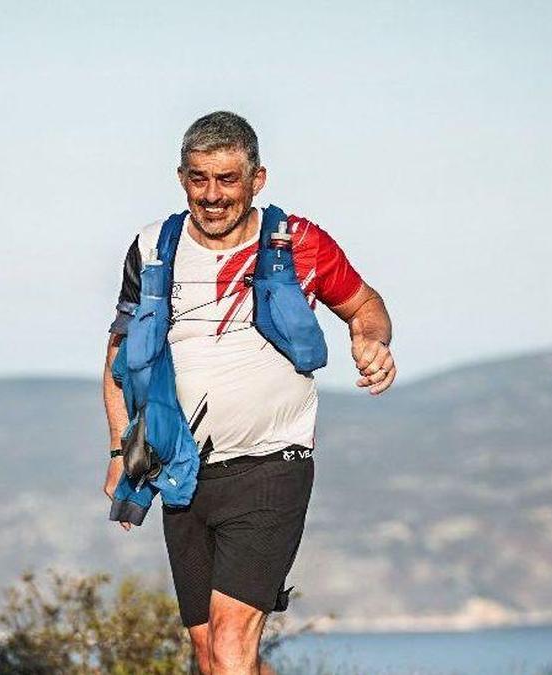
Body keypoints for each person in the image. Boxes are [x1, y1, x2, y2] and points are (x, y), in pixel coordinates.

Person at [102, 112, 396, 675]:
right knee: (212, 653)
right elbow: (118, 353)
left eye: (227, 179)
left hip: (271, 466)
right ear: (181, 177)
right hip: (182, 470)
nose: (212, 196)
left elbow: (365, 306)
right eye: (198, 179)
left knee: (234, 642)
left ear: (257, 179)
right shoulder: (152, 249)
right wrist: (120, 450)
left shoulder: (300, 243)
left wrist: (372, 342)